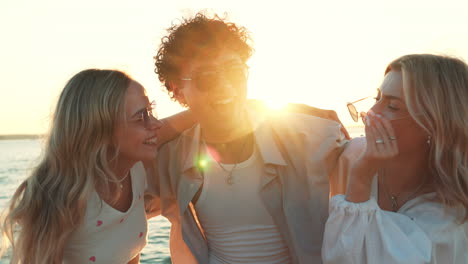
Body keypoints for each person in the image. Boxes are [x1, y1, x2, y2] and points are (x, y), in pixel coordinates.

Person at [145, 12, 347, 264]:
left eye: (234, 71)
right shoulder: (170, 157)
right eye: (206, 78)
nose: (226, 86)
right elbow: (110, 199)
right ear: (178, 91)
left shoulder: (310, 139)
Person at [0, 69, 191, 264]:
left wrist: (211, 107)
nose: (155, 124)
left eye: (150, 111)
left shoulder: (134, 169)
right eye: (140, 116)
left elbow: (180, 122)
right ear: (101, 130)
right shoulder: (62, 196)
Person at [323, 54, 468, 263]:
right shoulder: (351, 155)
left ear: (434, 124)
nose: (372, 112)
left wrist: (360, 179)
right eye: (377, 99)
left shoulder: (448, 216)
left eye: (393, 107)